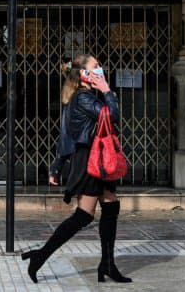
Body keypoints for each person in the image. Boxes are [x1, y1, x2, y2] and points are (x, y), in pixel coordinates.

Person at [22, 54, 131, 284]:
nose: (100, 68)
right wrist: (107, 90)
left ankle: (108, 265)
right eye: (96, 66)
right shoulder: (82, 97)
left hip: (100, 158)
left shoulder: (87, 96)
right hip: (90, 160)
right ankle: (39, 256)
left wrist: (56, 167)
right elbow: (113, 115)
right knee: (84, 215)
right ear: (84, 74)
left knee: (111, 205)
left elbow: (66, 135)